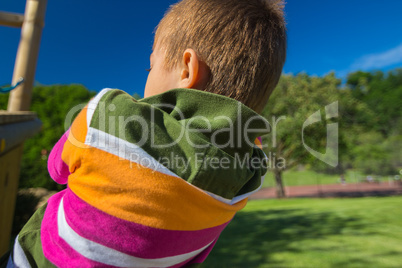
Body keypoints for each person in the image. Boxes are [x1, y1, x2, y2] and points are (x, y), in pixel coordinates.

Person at [5, 0, 286, 267]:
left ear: (188, 68)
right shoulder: (246, 174)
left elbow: (56, 169)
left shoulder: (109, 114)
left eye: (150, 66)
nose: (146, 77)